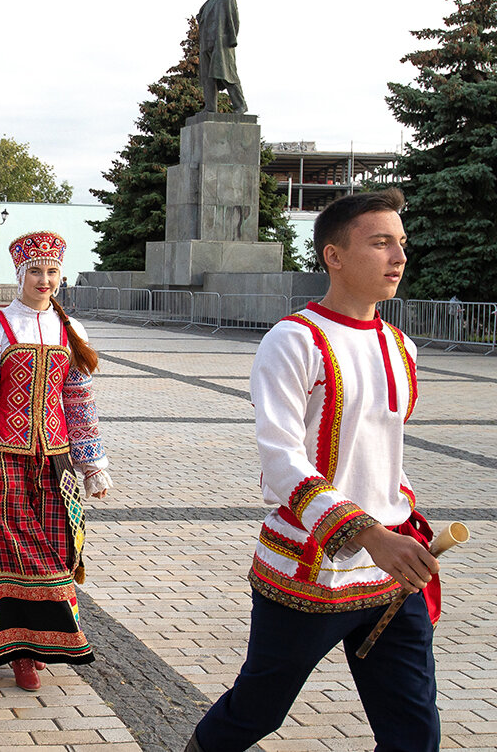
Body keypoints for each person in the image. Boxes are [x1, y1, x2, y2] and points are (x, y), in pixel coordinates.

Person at [186, 189, 439, 752]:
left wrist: (392, 529)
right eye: (380, 243)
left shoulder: (403, 346)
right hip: (308, 567)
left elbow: (380, 453)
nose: (398, 257)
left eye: (401, 244)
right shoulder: (295, 339)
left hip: (391, 568)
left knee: (414, 730)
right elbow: (280, 462)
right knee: (257, 711)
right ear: (334, 256)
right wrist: (366, 533)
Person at [0, 230, 113, 692]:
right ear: (20, 275)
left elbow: (79, 402)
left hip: (56, 463)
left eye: (52, 272)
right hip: (4, 462)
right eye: (36, 272)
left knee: (60, 551)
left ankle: (36, 640)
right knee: (12, 551)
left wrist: (92, 462)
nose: (44, 280)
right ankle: (18, 649)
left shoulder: (72, 330)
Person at [198, 0, 248, 113]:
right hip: (206, 44)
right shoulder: (207, 4)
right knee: (208, 78)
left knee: (227, 74)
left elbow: (234, 21)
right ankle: (210, 107)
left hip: (221, 44)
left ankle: (240, 105)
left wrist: (229, 39)